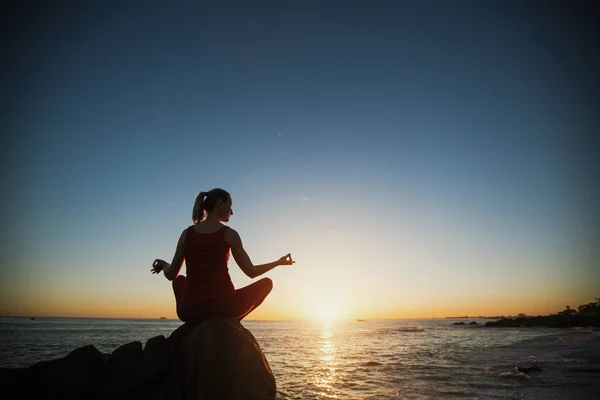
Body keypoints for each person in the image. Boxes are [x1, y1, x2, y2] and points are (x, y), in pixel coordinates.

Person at [151, 188, 294, 322]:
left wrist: (164, 265)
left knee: (179, 280)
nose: (231, 212)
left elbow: (171, 275)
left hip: (190, 312)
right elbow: (251, 272)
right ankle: (232, 321)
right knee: (267, 283)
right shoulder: (229, 234)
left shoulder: (186, 234)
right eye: (230, 206)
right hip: (224, 308)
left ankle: (219, 322)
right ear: (220, 204)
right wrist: (278, 262)